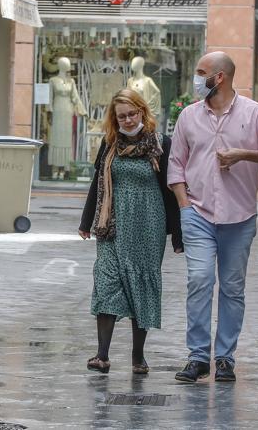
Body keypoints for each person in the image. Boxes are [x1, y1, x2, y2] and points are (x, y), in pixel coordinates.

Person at [167, 51, 258, 383]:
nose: (196, 78)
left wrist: (243, 155)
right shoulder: (188, 117)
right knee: (200, 280)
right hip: (197, 213)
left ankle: (224, 358)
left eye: (200, 72)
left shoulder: (255, 114)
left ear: (218, 77)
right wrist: (184, 206)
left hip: (240, 217)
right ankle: (197, 356)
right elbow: (175, 164)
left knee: (233, 289)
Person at [79, 89, 183, 375]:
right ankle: (102, 355)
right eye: (121, 116)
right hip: (111, 224)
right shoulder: (109, 143)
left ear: (142, 111)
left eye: (131, 114)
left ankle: (138, 356)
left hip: (148, 225)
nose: (126, 120)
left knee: (141, 285)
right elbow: (97, 182)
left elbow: (171, 190)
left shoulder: (161, 144)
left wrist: (177, 233)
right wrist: (86, 222)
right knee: (107, 281)